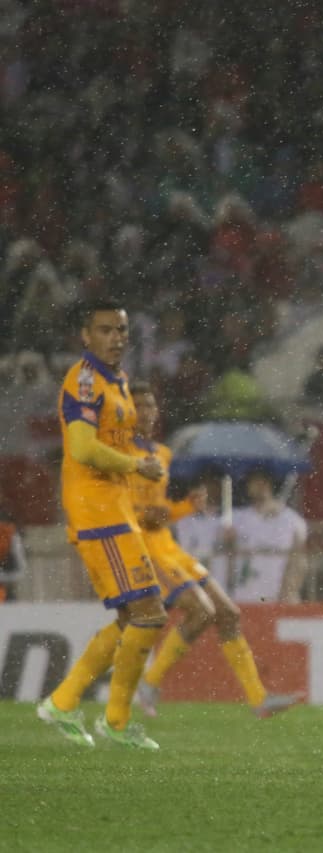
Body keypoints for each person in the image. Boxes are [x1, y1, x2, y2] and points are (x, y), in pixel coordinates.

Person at [126, 382, 301, 718]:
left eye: (151, 406)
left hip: (169, 547)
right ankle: (149, 682)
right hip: (147, 550)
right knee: (201, 613)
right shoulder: (120, 456)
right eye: (140, 407)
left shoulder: (160, 455)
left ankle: (258, 700)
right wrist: (144, 516)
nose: (148, 413)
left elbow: (160, 509)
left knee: (229, 614)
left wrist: (186, 507)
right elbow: (118, 508)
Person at [37, 298, 166, 749]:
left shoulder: (121, 381)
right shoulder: (85, 379)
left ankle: (66, 702)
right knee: (149, 613)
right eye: (106, 330)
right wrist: (135, 465)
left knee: (136, 615)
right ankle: (112, 721)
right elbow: (84, 448)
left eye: (122, 330)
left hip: (116, 510)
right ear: (86, 336)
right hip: (98, 513)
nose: (116, 338)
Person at [226, 469, 309, 603]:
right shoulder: (237, 518)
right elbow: (226, 558)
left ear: (270, 483)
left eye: (262, 481)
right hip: (242, 596)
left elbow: (298, 561)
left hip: (276, 596)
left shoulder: (293, 521)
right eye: (254, 481)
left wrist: (289, 590)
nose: (259, 485)